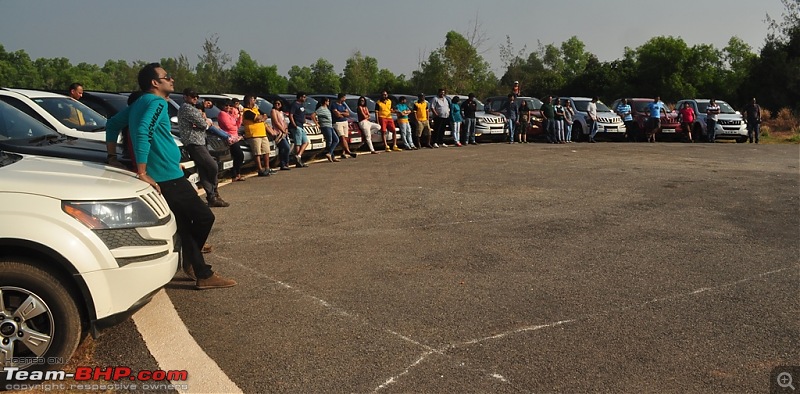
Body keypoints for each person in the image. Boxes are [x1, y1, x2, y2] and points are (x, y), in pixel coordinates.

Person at [105, 62, 235, 290]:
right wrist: (143, 172)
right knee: (205, 217)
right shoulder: (156, 102)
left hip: (169, 171)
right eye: (167, 77)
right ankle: (193, 262)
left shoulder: (140, 102)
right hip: (165, 176)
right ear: (155, 83)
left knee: (185, 225)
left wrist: (112, 157)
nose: (172, 79)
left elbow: (113, 124)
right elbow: (144, 130)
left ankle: (201, 270)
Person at [178, 88, 228, 207]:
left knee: (204, 169)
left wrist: (203, 121)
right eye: (192, 96)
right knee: (212, 165)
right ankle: (214, 192)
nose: (195, 98)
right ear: (185, 96)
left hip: (200, 140)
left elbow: (201, 122)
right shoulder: (187, 108)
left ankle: (212, 197)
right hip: (194, 142)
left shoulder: (193, 108)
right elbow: (203, 123)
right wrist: (205, 121)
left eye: (196, 96)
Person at [242, 94, 276, 176]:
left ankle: (267, 168)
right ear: (250, 100)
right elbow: (257, 118)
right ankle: (260, 169)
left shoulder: (256, 109)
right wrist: (260, 118)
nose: (255, 101)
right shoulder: (246, 111)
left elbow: (264, 116)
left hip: (262, 133)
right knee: (257, 152)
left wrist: (261, 118)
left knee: (266, 151)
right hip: (254, 135)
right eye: (253, 99)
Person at [217, 100, 245, 181]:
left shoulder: (229, 114)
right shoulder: (222, 114)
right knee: (239, 155)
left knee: (238, 156)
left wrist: (240, 115)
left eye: (230, 106)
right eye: (226, 105)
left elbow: (238, 125)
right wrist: (235, 126)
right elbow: (228, 126)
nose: (228, 107)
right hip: (229, 138)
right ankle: (235, 173)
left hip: (235, 137)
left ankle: (237, 173)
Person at [313, 97, 340, 162]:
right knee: (329, 141)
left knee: (336, 140)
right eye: (328, 101)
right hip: (325, 126)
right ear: (325, 102)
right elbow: (313, 115)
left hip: (330, 126)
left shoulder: (327, 108)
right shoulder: (321, 109)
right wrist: (317, 123)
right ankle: (331, 155)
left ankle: (330, 153)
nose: (328, 102)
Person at [331, 93, 357, 158]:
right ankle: (349, 151)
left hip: (345, 121)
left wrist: (341, 113)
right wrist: (342, 113)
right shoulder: (334, 105)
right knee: (342, 137)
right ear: (341, 98)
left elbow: (348, 114)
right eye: (344, 98)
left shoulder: (343, 105)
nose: (345, 99)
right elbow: (337, 115)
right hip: (337, 122)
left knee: (346, 138)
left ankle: (343, 152)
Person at [270, 99, 293, 170]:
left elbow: (284, 121)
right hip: (278, 133)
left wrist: (286, 129)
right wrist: (282, 130)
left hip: (284, 133)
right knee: (286, 147)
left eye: (279, 104)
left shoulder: (281, 112)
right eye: (276, 103)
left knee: (283, 149)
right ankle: (284, 163)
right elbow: (276, 122)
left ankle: (283, 164)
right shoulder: (273, 111)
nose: (277, 105)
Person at [289, 92, 310, 167]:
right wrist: (294, 124)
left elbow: (303, 115)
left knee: (306, 142)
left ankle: (299, 156)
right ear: (300, 97)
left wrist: (306, 121)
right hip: (296, 126)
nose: (305, 98)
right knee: (298, 143)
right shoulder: (294, 105)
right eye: (304, 97)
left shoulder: (302, 105)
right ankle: (298, 161)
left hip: (301, 126)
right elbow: (291, 115)